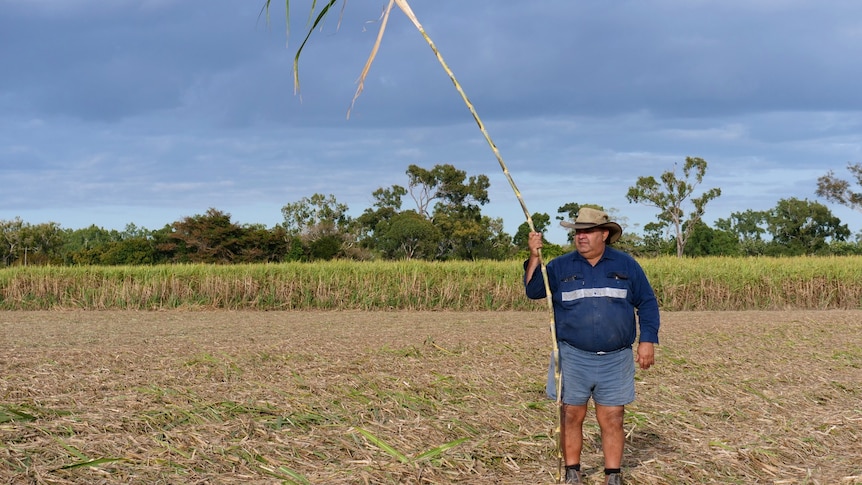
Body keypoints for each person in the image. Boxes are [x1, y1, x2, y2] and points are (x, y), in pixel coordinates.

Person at [523, 207, 660, 485]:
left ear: (604, 234)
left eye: (587, 232)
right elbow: (533, 290)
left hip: (616, 358)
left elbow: (646, 302)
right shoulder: (561, 266)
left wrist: (647, 340)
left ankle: (613, 475)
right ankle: (573, 472)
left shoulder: (626, 265)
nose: (581, 237)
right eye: (578, 232)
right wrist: (534, 256)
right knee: (571, 414)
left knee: (613, 418)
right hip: (572, 356)